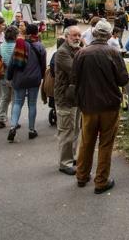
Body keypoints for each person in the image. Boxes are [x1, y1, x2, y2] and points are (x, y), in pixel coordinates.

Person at [72, 20, 129, 194]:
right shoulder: (113, 52)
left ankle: (82, 176)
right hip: (109, 106)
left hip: (88, 105)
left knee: (86, 142)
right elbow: (123, 79)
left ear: (94, 34)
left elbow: (74, 79)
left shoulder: (81, 53)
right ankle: (101, 181)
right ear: (109, 35)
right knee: (105, 144)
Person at [6, 23, 46, 142]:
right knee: (32, 104)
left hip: (20, 78)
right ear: (37, 33)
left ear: (26, 32)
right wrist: (42, 76)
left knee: (18, 102)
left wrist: (9, 76)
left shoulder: (20, 44)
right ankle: (31, 130)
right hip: (34, 79)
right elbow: (43, 64)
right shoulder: (40, 46)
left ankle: (13, 126)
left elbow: (12, 62)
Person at [54, 25, 83, 174]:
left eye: (79, 35)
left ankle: (73, 157)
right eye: (74, 36)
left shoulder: (77, 50)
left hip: (75, 98)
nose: (77, 38)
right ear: (66, 37)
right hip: (65, 98)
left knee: (76, 129)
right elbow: (75, 71)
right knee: (66, 131)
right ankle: (64, 163)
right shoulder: (62, 52)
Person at [0, 26, 17, 129]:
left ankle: (0, 118)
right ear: (15, 36)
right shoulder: (17, 47)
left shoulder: (0, 46)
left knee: (5, 97)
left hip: (4, 75)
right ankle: (14, 119)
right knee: (16, 99)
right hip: (16, 75)